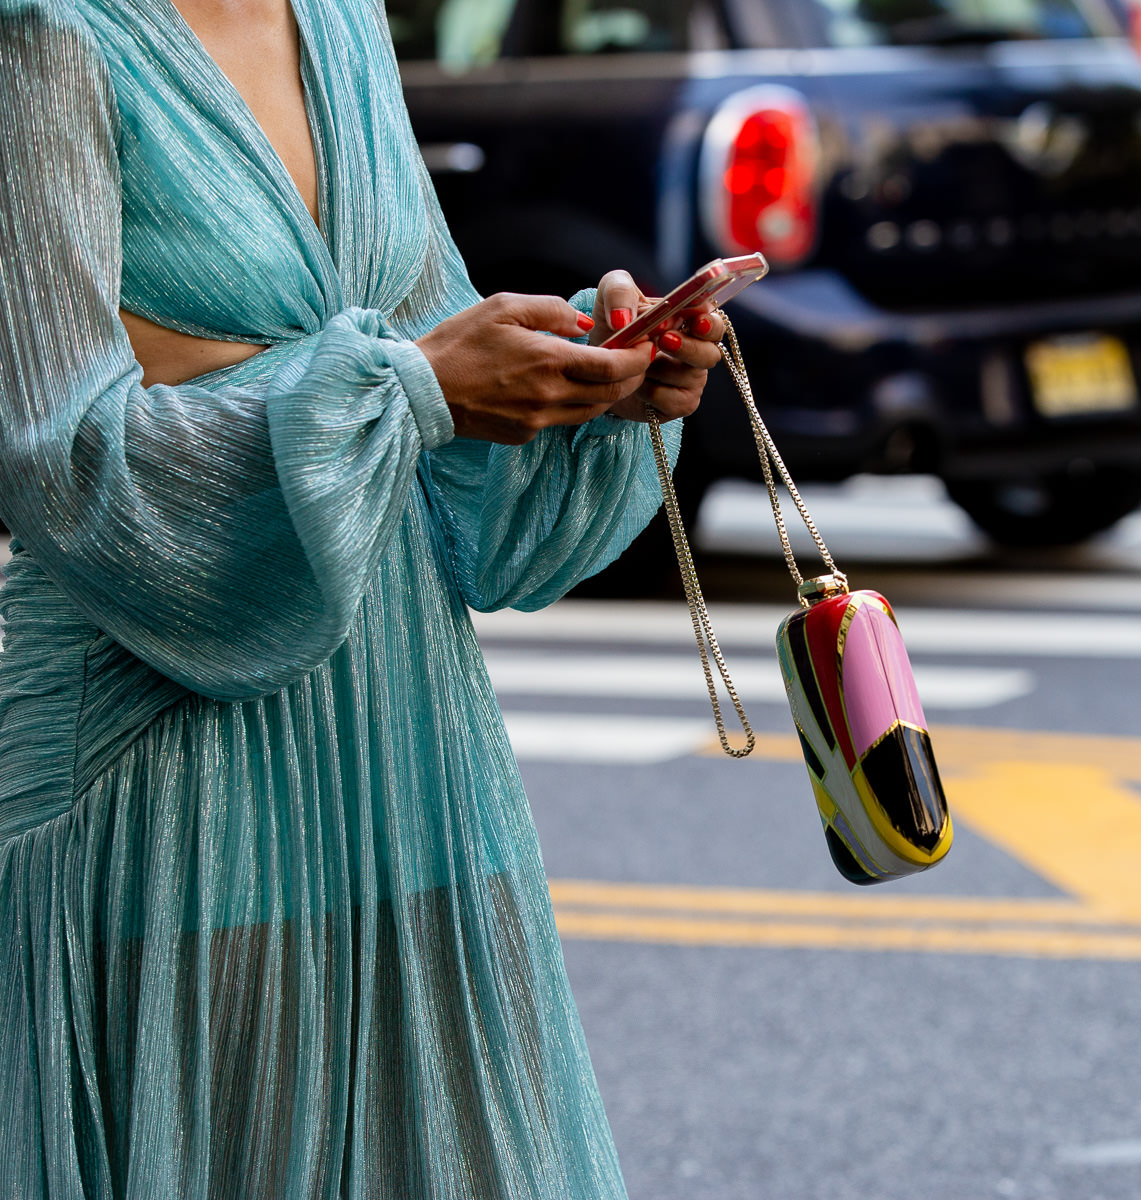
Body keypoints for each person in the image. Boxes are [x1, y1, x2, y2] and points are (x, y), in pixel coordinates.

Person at [0, 0, 724, 1195]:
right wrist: (414, 385)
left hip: (411, 739)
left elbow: (435, 407)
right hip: (163, 749)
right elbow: (60, 463)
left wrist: (590, 380)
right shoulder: (48, 32)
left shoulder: (340, 17)